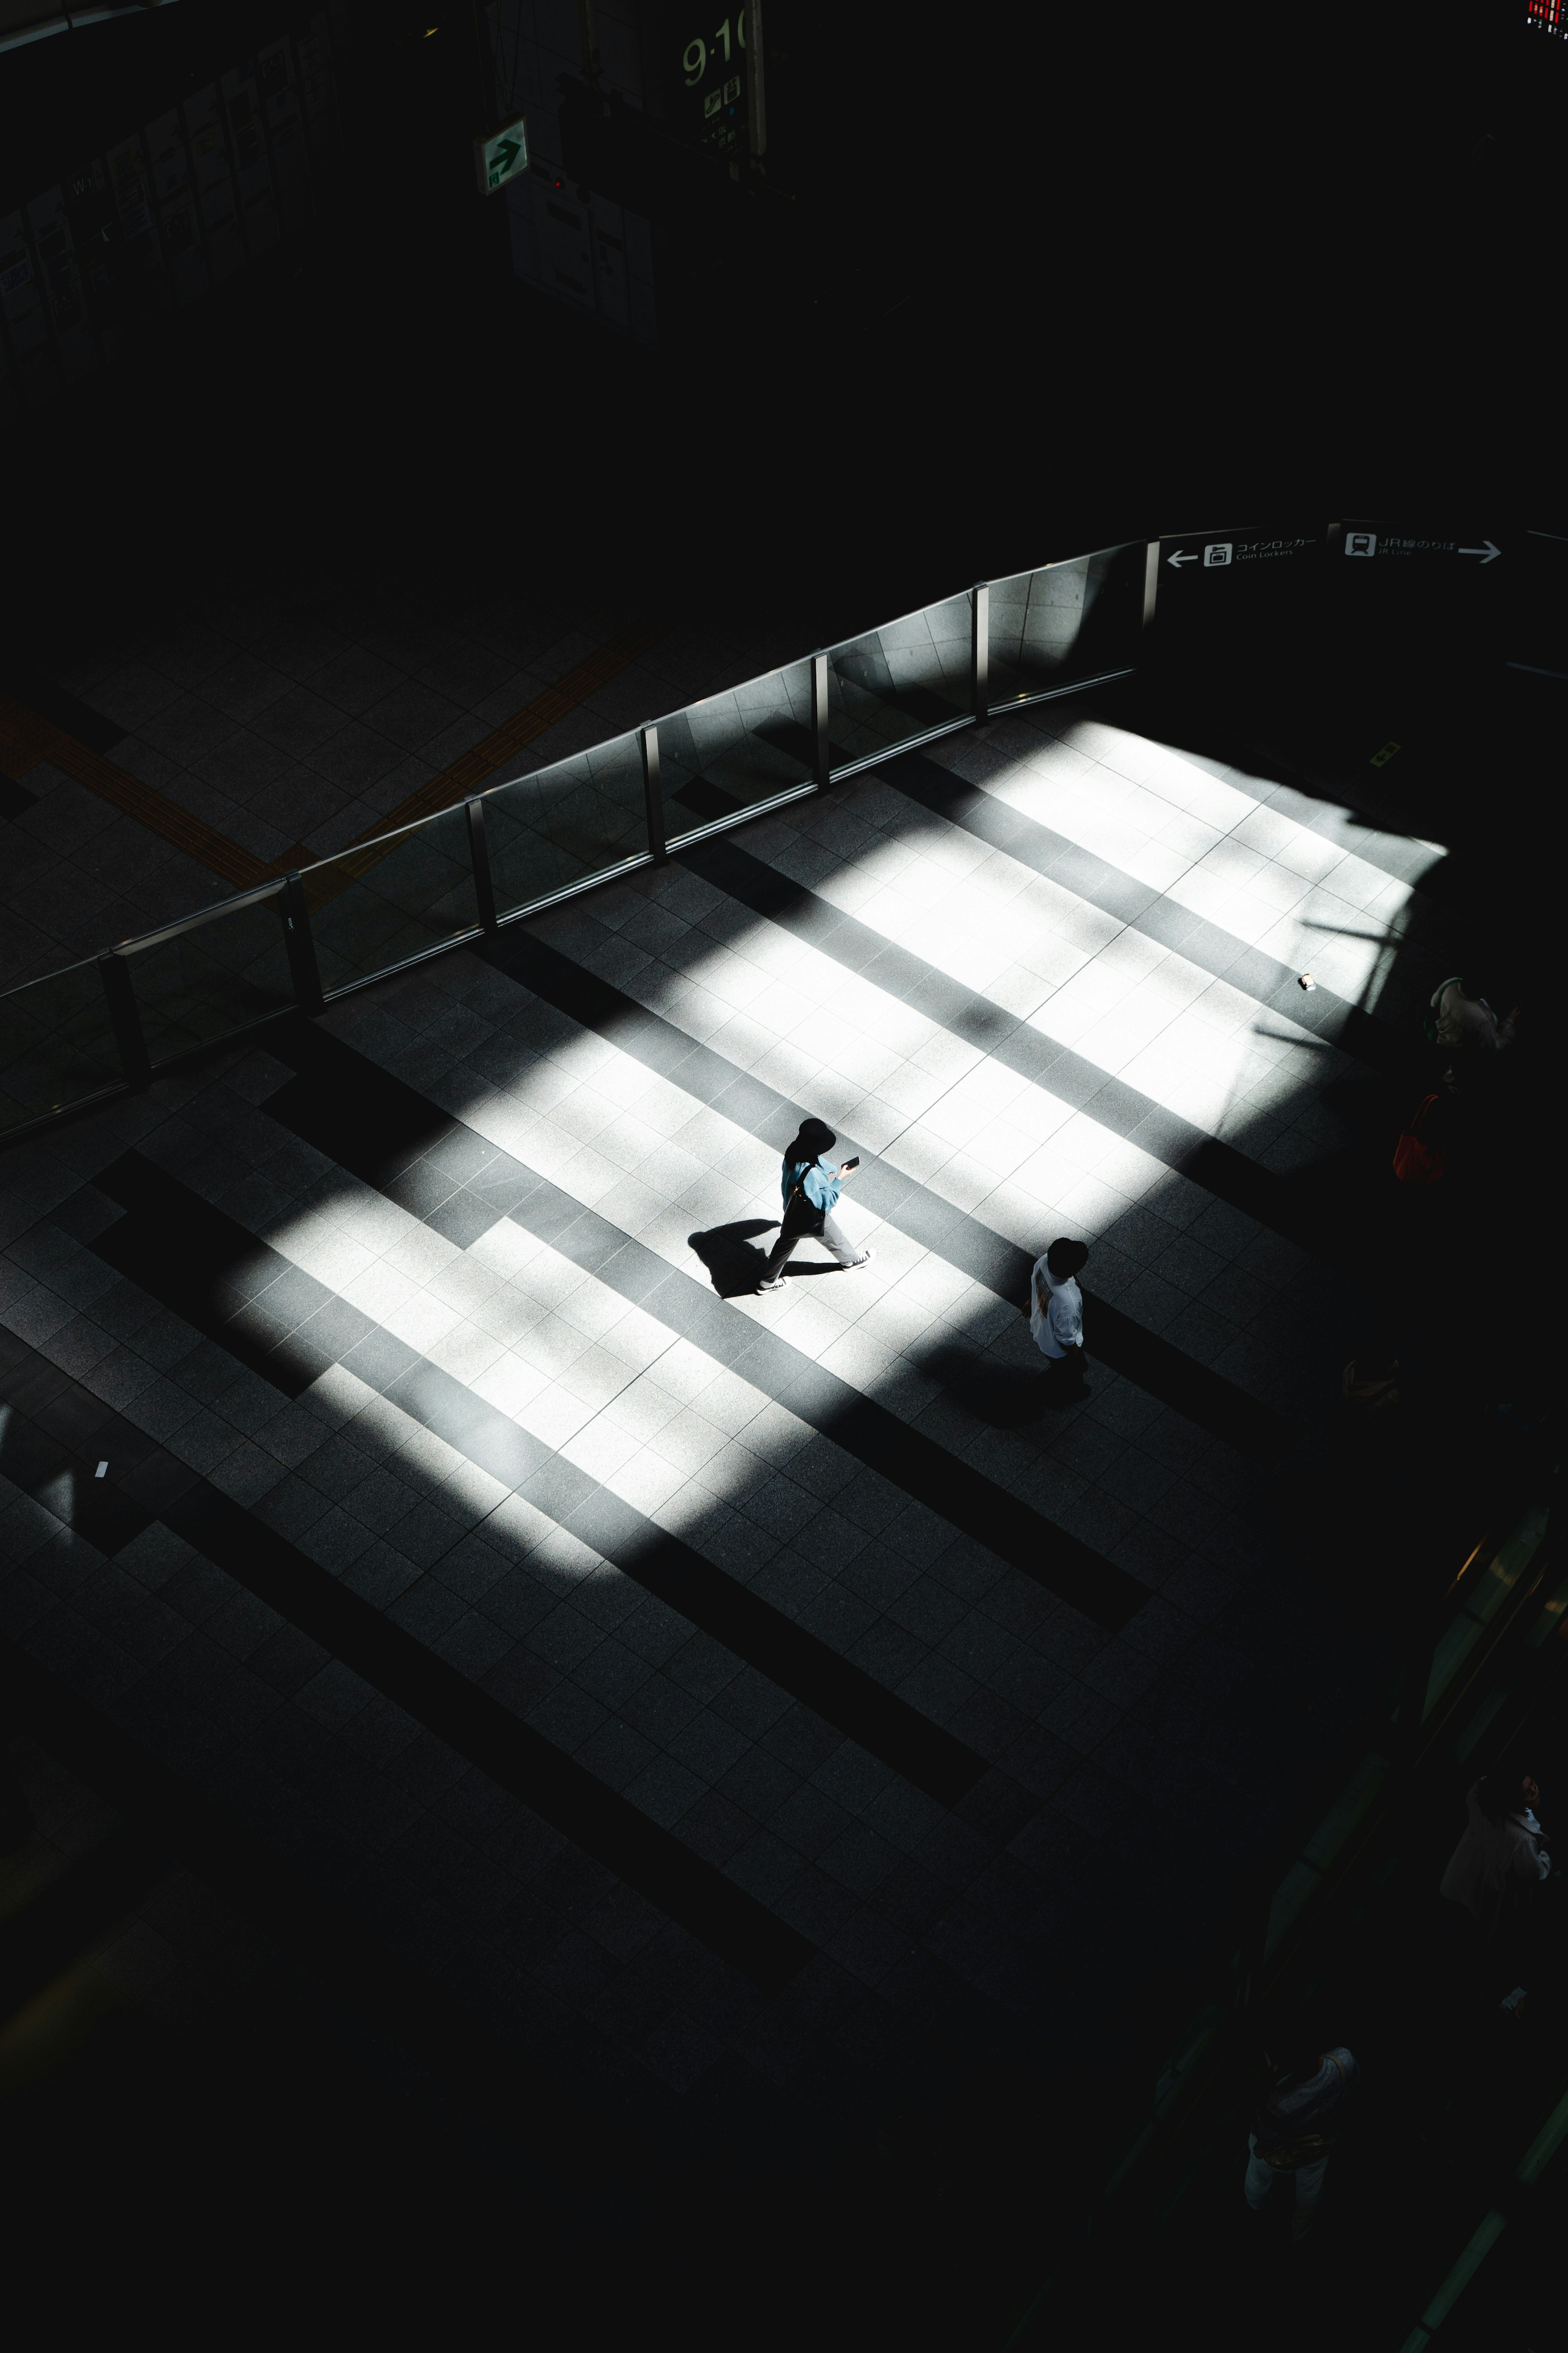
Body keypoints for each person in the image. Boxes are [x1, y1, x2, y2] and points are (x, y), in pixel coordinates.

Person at [1243, 2037, 1359, 2241]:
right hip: (1320, 2146)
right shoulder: (1344, 2060)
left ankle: (1256, 2207)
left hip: (1281, 2153)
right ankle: (1301, 2234)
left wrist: (1266, 2088)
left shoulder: (1277, 2102)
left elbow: (1265, 2138)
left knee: (1257, 2178)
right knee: (1309, 2194)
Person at [756, 1118, 874, 1292]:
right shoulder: (812, 1176)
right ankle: (851, 1261)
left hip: (792, 1211)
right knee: (833, 1235)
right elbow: (827, 1201)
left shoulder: (793, 1151)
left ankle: (767, 1283)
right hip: (810, 1216)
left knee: (784, 1245)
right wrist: (839, 1179)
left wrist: (829, 1168)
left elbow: (815, 1160)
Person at [1439, 1768, 1552, 1939]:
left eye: (1533, 1784)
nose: (1535, 1791)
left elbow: (1483, 1781)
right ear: (1513, 1799)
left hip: (1456, 1881)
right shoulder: (1521, 1838)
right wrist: (1545, 1858)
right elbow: (1534, 1872)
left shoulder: (1479, 1802)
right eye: (1527, 1791)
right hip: (1480, 1899)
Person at [1027, 1237, 1089, 1407]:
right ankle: (1074, 1393)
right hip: (1059, 1350)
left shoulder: (1044, 1262)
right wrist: (1076, 1353)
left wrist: (1031, 1303)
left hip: (1042, 1331)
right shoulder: (1068, 1301)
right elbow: (1067, 1338)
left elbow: (1037, 1283)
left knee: (1063, 1368)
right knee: (1074, 1371)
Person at [1428, 977, 1518, 1064]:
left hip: (1439, 1037)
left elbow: (1434, 1003)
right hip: (1459, 1053)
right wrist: (1510, 1021)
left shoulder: (1452, 983)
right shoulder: (1481, 1020)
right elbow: (1494, 1047)